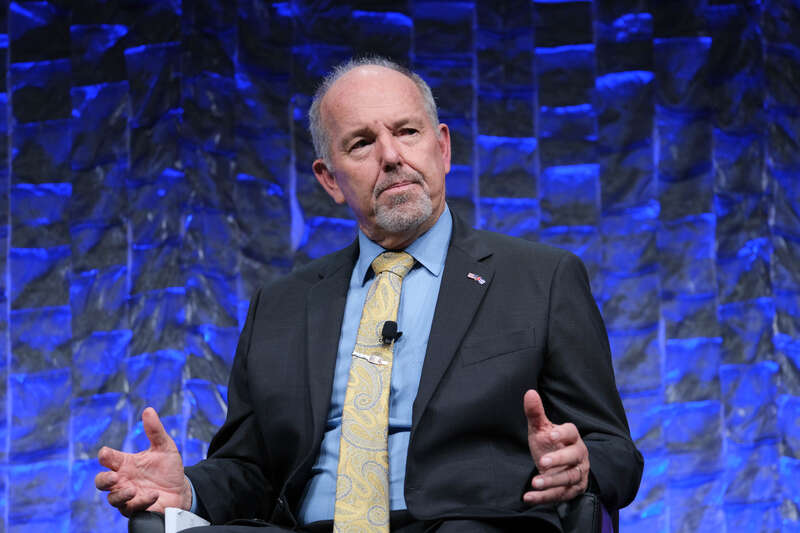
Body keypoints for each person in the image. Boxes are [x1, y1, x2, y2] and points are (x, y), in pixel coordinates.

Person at [96, 57, 643, 532]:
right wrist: (187, 490)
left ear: (443, 147)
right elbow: (250, 470)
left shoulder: (541, 278)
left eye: (407, 132)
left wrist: (580, 464)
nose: (391, 156)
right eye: (361, 143)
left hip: (469, 524)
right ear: (330, 179)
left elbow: (616, 451)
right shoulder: (280, 305)